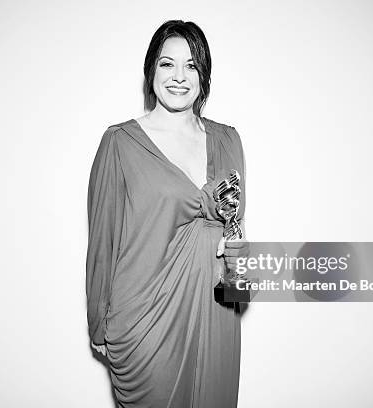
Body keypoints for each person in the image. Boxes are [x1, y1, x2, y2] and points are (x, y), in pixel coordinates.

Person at [86, 19, 249, 408]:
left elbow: (239, 232)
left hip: (217, 316)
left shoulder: (229, 140)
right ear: (151, 71)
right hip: (146, 321)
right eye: (167, 64)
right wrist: (98, 325)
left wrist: (241, 279)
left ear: (203, 73)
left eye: (191, 65)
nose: (179, 76)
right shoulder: (120, 143)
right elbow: (102, 243)